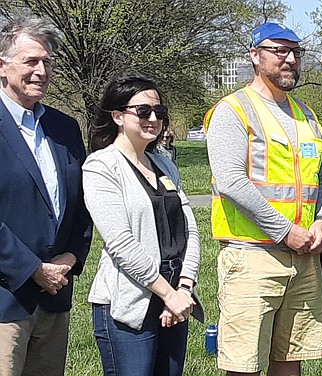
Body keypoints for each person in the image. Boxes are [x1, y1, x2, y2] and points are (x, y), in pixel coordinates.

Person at [205, 22, 322, 375]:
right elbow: (231, 181)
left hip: (304, 259)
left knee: (291, 363)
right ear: (255, 56)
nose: (289, 59)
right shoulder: (233, 111)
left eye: (296, 52)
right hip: (252, 258)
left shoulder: (306, 114)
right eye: (279, 51)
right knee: (244, 366)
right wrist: (284, 230)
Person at [83, 74, 201, 376]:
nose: (153, 119)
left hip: (176, 296)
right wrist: (167, 293)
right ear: (118, 116)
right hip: (130, 299)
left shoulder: (164, 164)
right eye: (144, 111)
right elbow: (120, 244)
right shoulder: (101, 166)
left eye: (159, 112)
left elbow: (190, 229)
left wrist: (184, 287)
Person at [0, 16, 92, 376]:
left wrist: (72, 255)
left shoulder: (64, 127)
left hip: (55, 297)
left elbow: (83, 203)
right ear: (2, 66)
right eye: (31, 61)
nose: (41, 71)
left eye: (48, 63)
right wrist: (32, 269)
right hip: (6, 300)